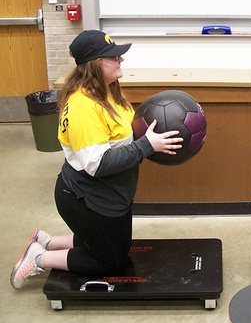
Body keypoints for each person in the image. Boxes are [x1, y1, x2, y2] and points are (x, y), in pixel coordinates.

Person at [10, 30, 183, 290]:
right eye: (113, 56)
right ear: (94, 64)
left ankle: (48, 241)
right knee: (111, 262)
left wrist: (147, 140)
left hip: (112, 193)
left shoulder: (107, 92)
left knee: (116, 245)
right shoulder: (83, 106)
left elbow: (122, 136)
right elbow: (97, 165)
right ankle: (39, 257)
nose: (120, 59)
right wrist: (147, 145)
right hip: (86, 197)